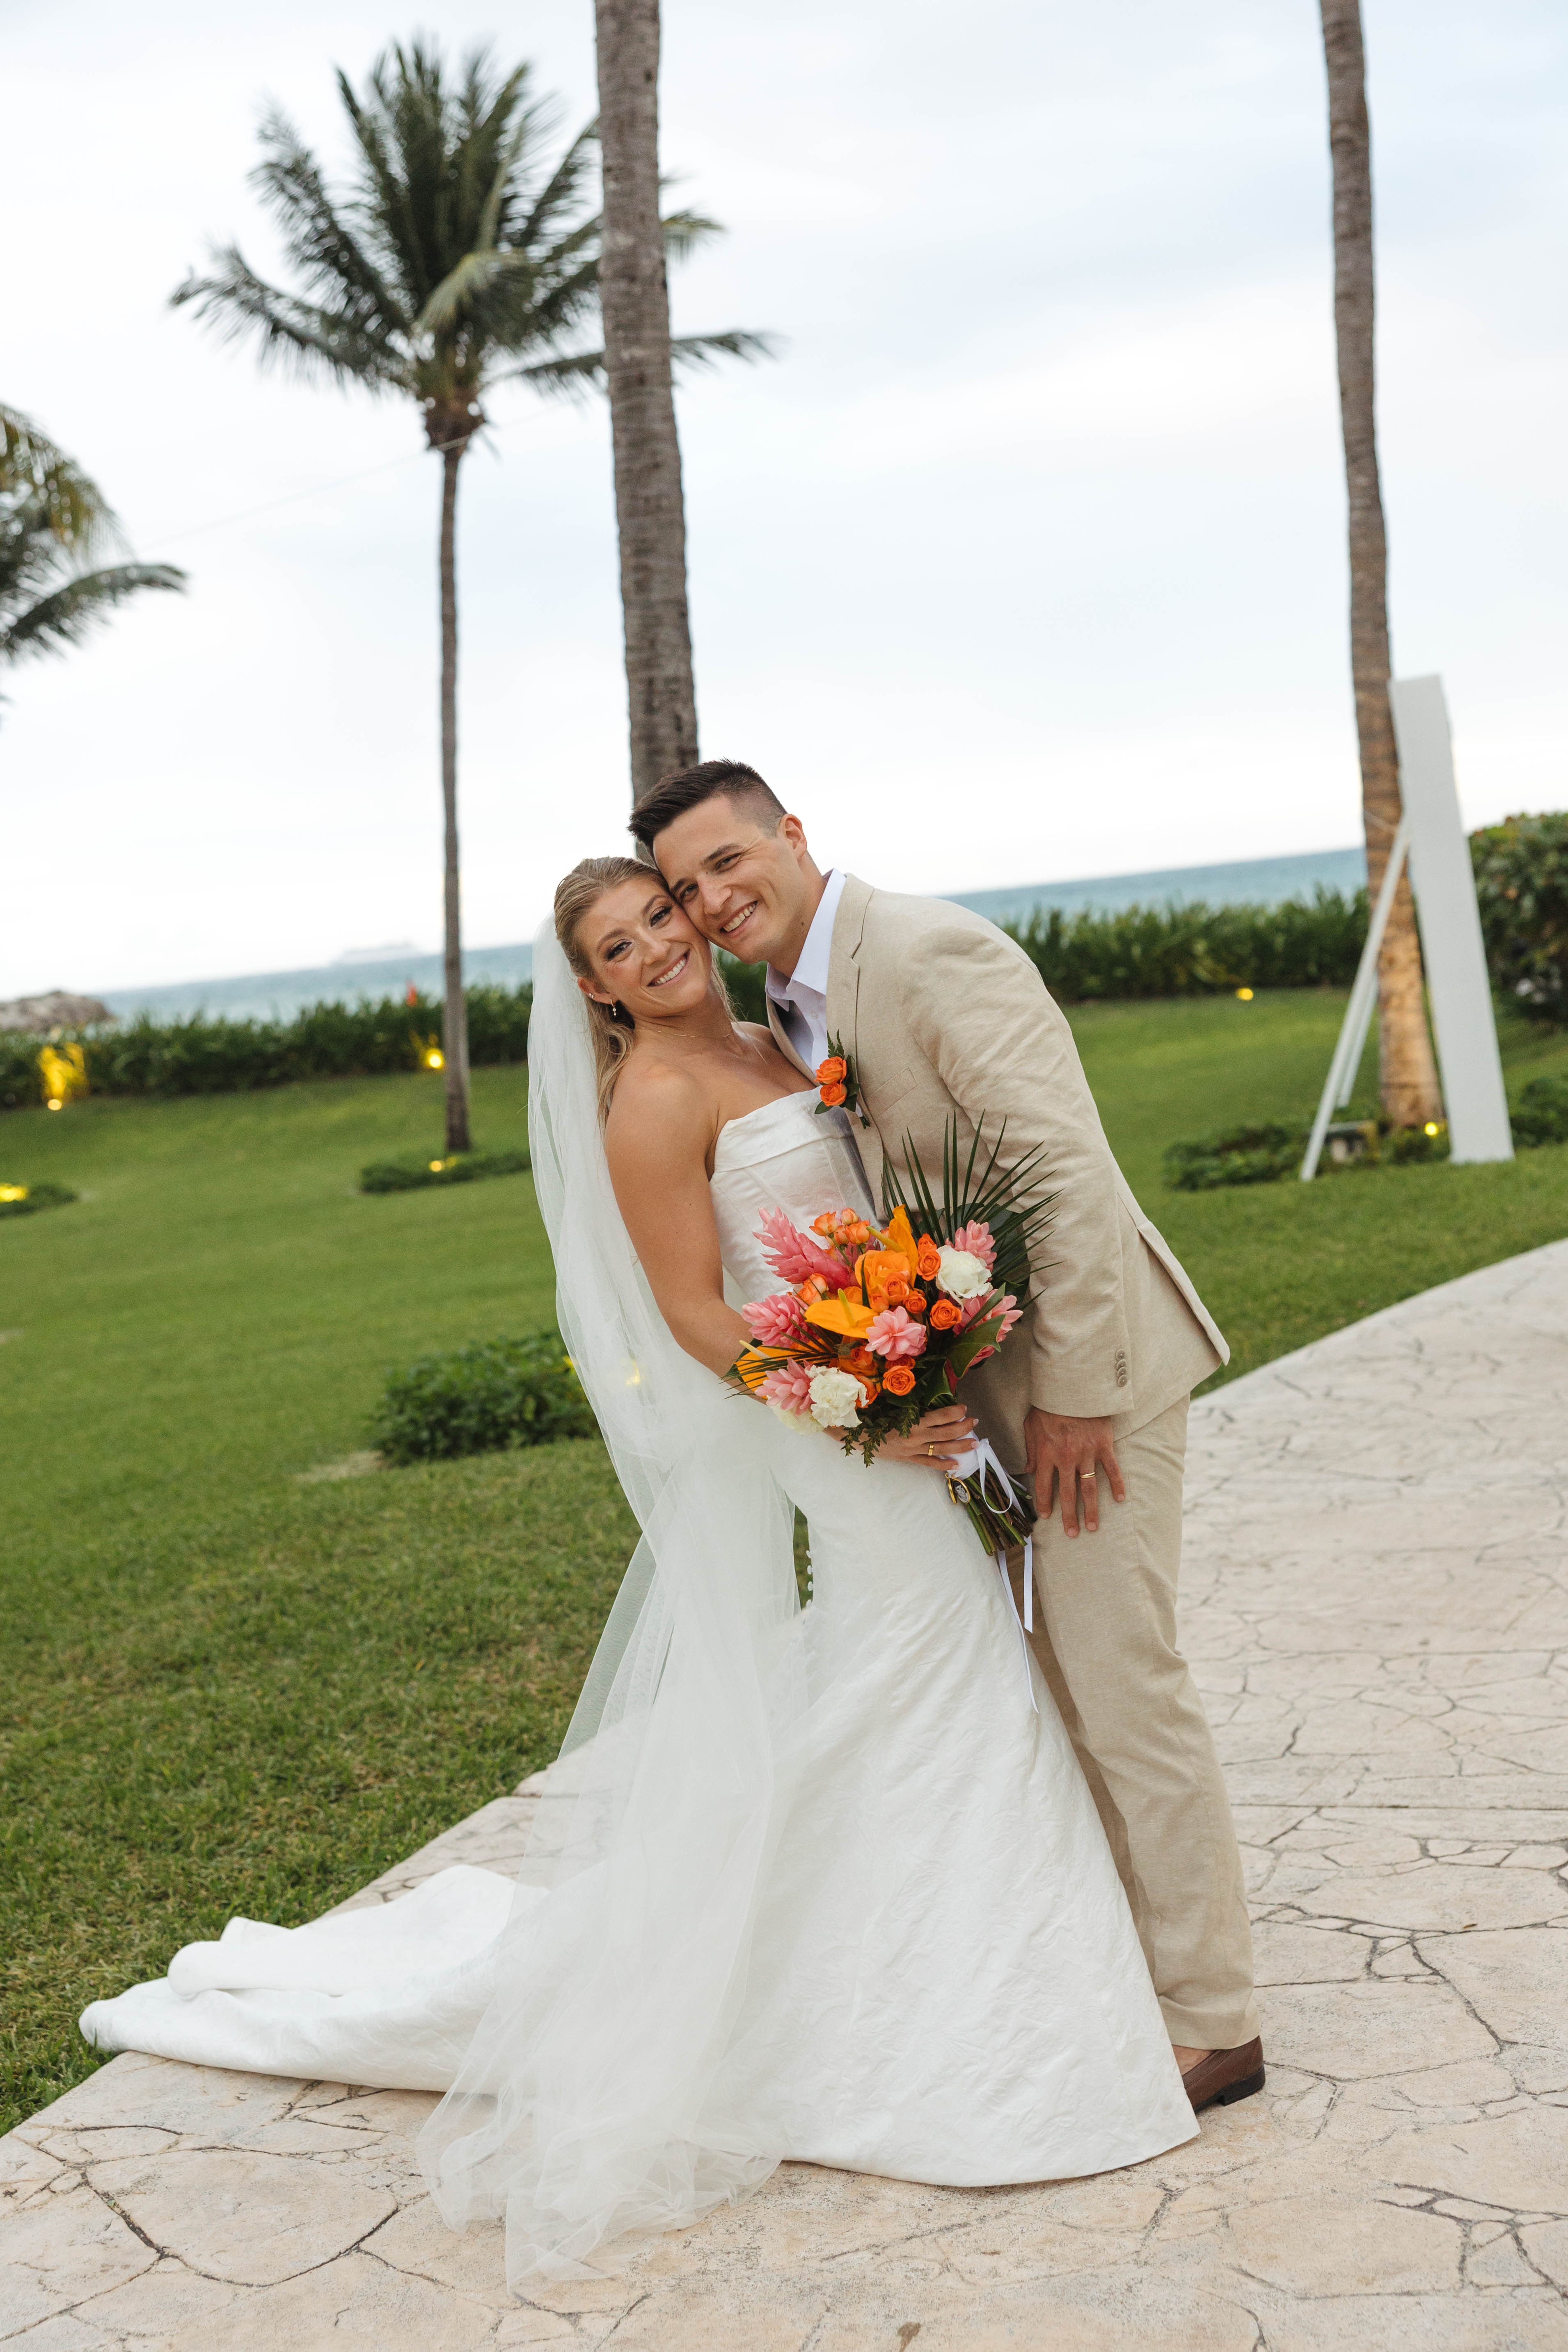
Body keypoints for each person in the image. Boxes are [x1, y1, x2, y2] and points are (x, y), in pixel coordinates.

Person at [79, 850, 1198, 2289]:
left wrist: (916, 1340)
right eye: (620, 944)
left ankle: (938, 1965)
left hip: (888, 1393)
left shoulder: (773, 1039)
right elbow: (689, 1313)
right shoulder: (653, 1104)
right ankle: (936, 2006)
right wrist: (860, 1392)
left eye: (660, 916)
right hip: (830, 1421)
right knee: (937, 1658)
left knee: (929, 1668)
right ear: (597, 986)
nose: (658, 946)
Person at [631, 760, 1262, 2113]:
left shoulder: (926, 949)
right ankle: (1131, 1968)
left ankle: (1216, 2021)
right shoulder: (783, 1009)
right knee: (1059, 1682)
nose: (713, 900)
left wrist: (1079, 1395)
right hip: (976, 1402)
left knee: (1120, 1680)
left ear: (793, 835)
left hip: (1084, 1387)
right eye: (688, 890)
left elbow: (1062, 1168)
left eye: (730, 863)